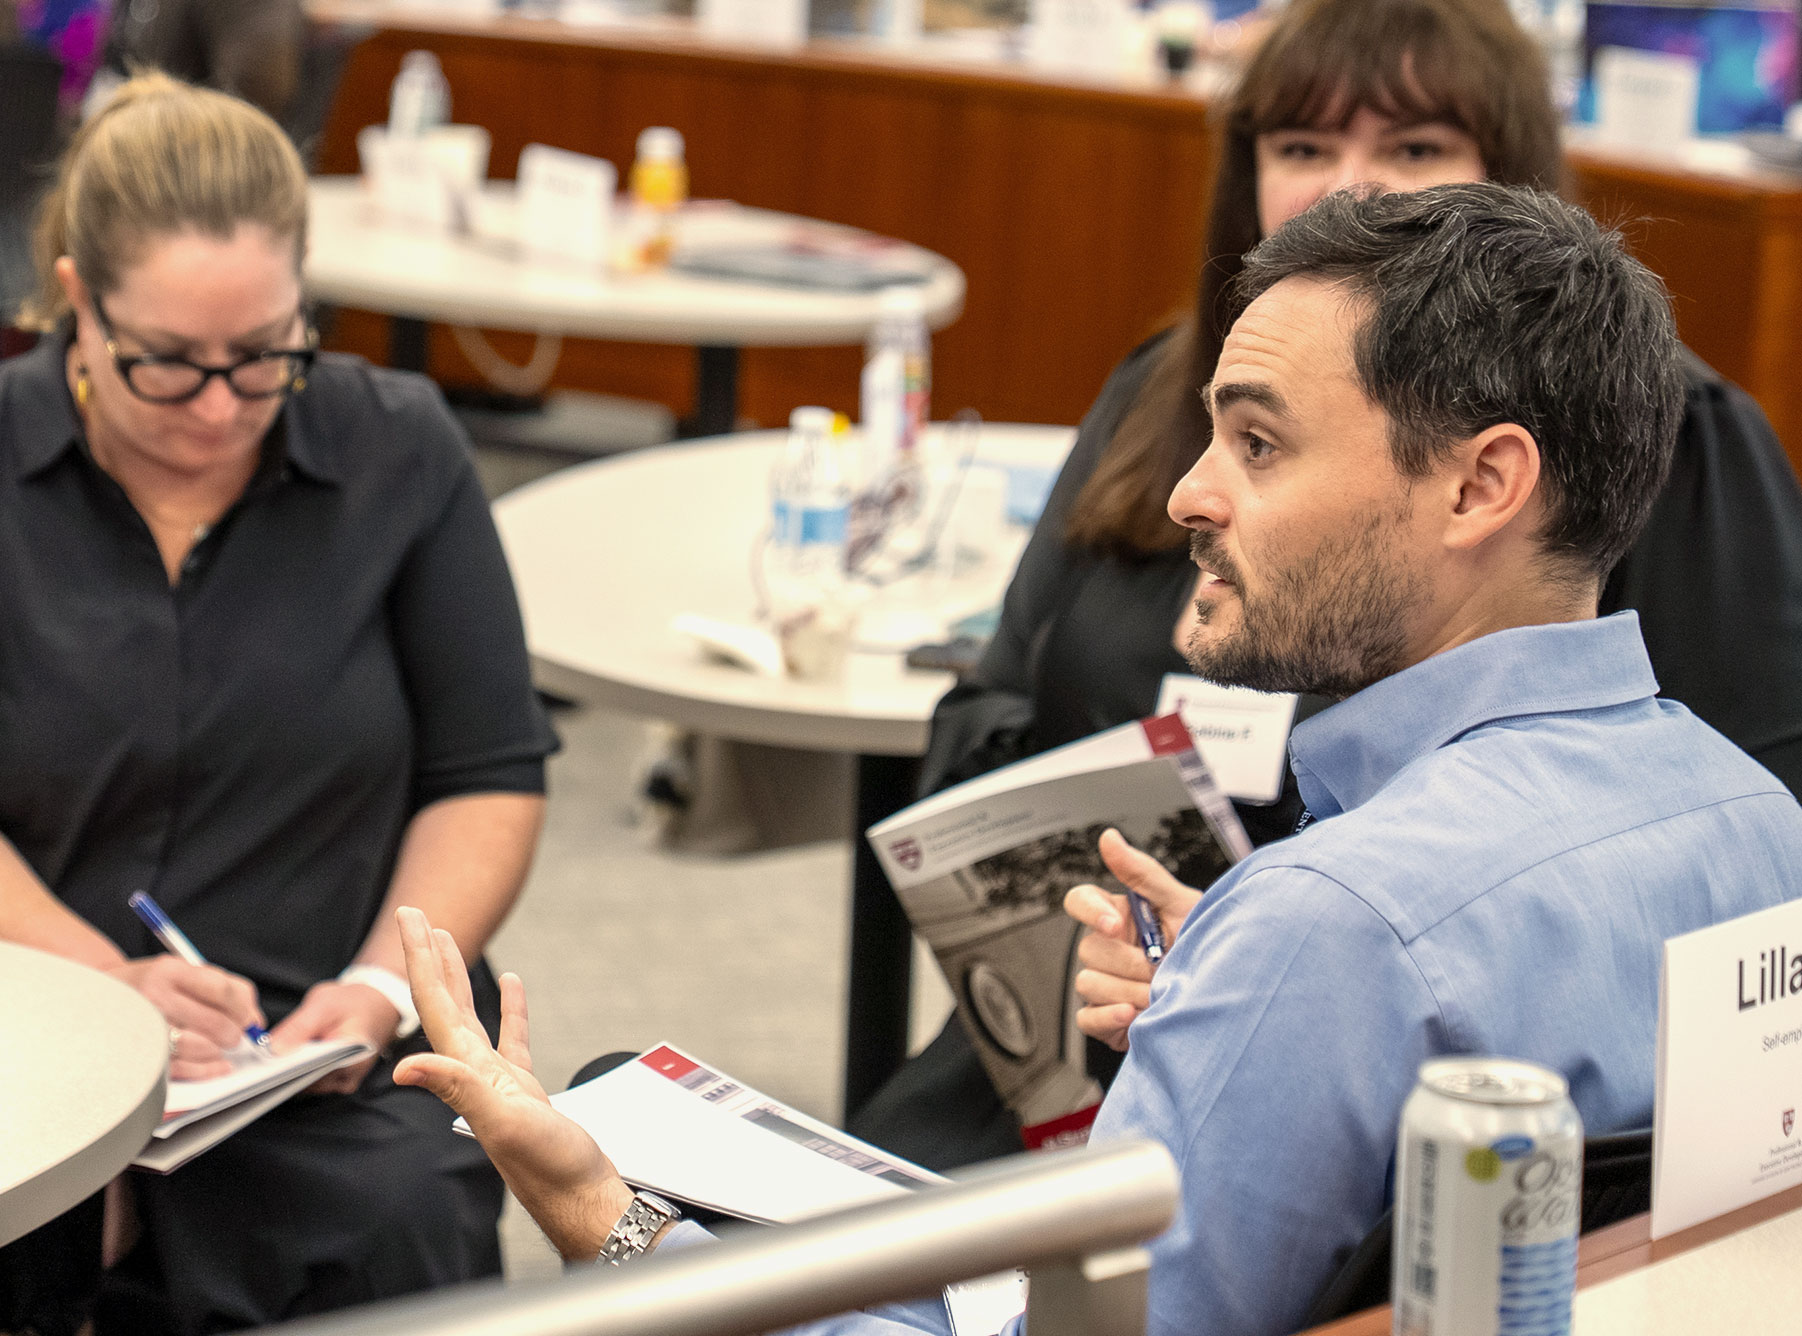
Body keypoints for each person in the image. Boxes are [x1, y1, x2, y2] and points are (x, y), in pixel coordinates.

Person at [393, 182, 1802, 1336]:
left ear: (1480, 484)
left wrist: (610, 1223)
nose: (1188, 493)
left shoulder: (1334, 933)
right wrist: (1239, 1010)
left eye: (1258, 443)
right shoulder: (1759, 826)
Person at [848, 0, 1802, 1171]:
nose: (1348, 188)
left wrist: (1291, 941)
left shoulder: (1656, 442)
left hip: (1401, 1063)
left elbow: (1688, 855)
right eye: (1301, 146)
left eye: (1412, 148)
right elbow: (983, 718)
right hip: (1083, 1024)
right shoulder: (1162, 389)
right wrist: (1183, 930)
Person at [0, 74, 557, 1335]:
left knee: (399, 1213)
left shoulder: (398, 449)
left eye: (263, 358)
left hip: (318, 1049)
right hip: (33, 1008)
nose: (218, 407)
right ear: (79, 299)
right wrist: (104, 983)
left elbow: (485, 777)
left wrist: (378, 991)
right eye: (166, 365)